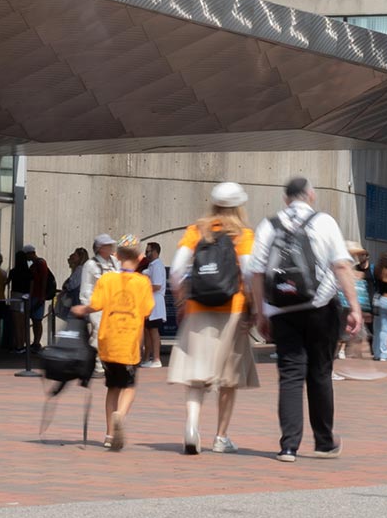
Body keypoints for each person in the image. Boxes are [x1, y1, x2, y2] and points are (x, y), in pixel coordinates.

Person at [247, 177, 362, 464]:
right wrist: (355, 307)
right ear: (310, 195)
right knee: (320, 374)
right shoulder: (324, 222)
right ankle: (324, 442)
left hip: (283, 311)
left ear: (286, 199)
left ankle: (288, 447)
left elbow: (257, 272)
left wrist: (261, 313)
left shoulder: (268, 225)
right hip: (320, 308)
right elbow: (341, 266)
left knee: (290, 376)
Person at [169, 182, 260, 454]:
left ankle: (192, 424)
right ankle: (220, 437)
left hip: (198, 307)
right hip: (232, 309)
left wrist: (182, 300)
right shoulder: (243, 235)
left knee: (195, 374)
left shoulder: (196, 231)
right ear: (239, 206)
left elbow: (176, 271)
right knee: (228, 376)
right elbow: (250, 274)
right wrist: (253, 309)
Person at [70, 240, 153, 451]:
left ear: (116, 255)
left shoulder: (107, 279)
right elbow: (147, 310)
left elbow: (95, 304)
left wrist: (82, 310)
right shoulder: (142, 282)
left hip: (108, 341)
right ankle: (121, 416)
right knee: (129, 386)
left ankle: (108, 434)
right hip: (129, 342)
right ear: (141, 258)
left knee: (112, 388)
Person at [79, 234, 121, 349]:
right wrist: (89, 309)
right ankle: (98, 365)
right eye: (107, 245)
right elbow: (86, 290)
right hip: (97, 308)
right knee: (98, 335)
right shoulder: (90, 265)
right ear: (100, 248)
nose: (111, 247)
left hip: (114, 307)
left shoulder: (115, 262)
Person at [335, 246, 371, 364]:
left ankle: (348, 353)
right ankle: (340, 352)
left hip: (347, 305)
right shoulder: (342, 266)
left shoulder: (350, 268)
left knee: (352, 332)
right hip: (342, 304)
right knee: (342, 332)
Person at [141, 240, 166, 368]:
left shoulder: (156, 265)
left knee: (154, 330)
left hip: (155, 302)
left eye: (148, 251)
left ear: (155, 252)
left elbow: (156, 285)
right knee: (148, 330)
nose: (146, 254)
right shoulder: (152, 265)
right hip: (150, 301)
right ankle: (147, 358)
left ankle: (156, 358)